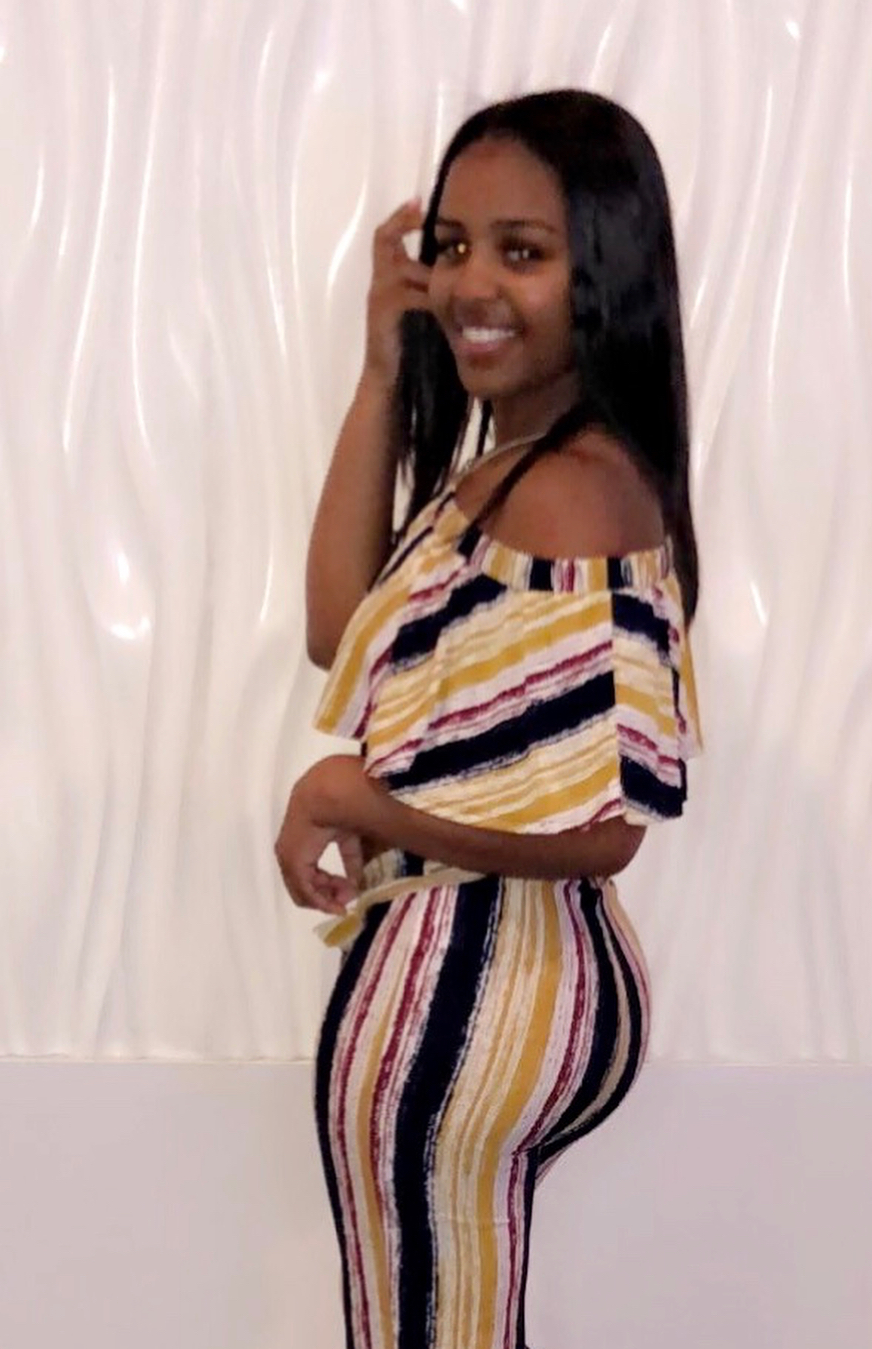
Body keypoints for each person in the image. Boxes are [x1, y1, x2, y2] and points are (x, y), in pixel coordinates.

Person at [275, 89, 702, 1349]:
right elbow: (338, 625)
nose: (472, 282)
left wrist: (355, 798)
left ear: (603, 273)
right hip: (488, 970)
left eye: (524, 251)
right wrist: (380, 368)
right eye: (453, 245)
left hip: (475, 981)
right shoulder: (516, 467)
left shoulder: (571, 488)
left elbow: (605, 825)